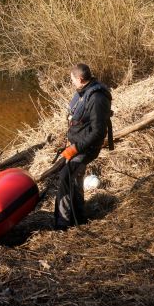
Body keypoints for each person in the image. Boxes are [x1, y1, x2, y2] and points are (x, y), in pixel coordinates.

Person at [55, 63, 112, 229]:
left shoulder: (97, 98)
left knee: (66, 176)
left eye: (72, 79)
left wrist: (75, 148)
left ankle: (63, 224)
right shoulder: (84, 91)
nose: (71, 82)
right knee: (75, 178)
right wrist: (69, 143)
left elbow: (98, 133)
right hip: (76, 144)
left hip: (87, 148)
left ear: (80, 79)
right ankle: (79, 218)